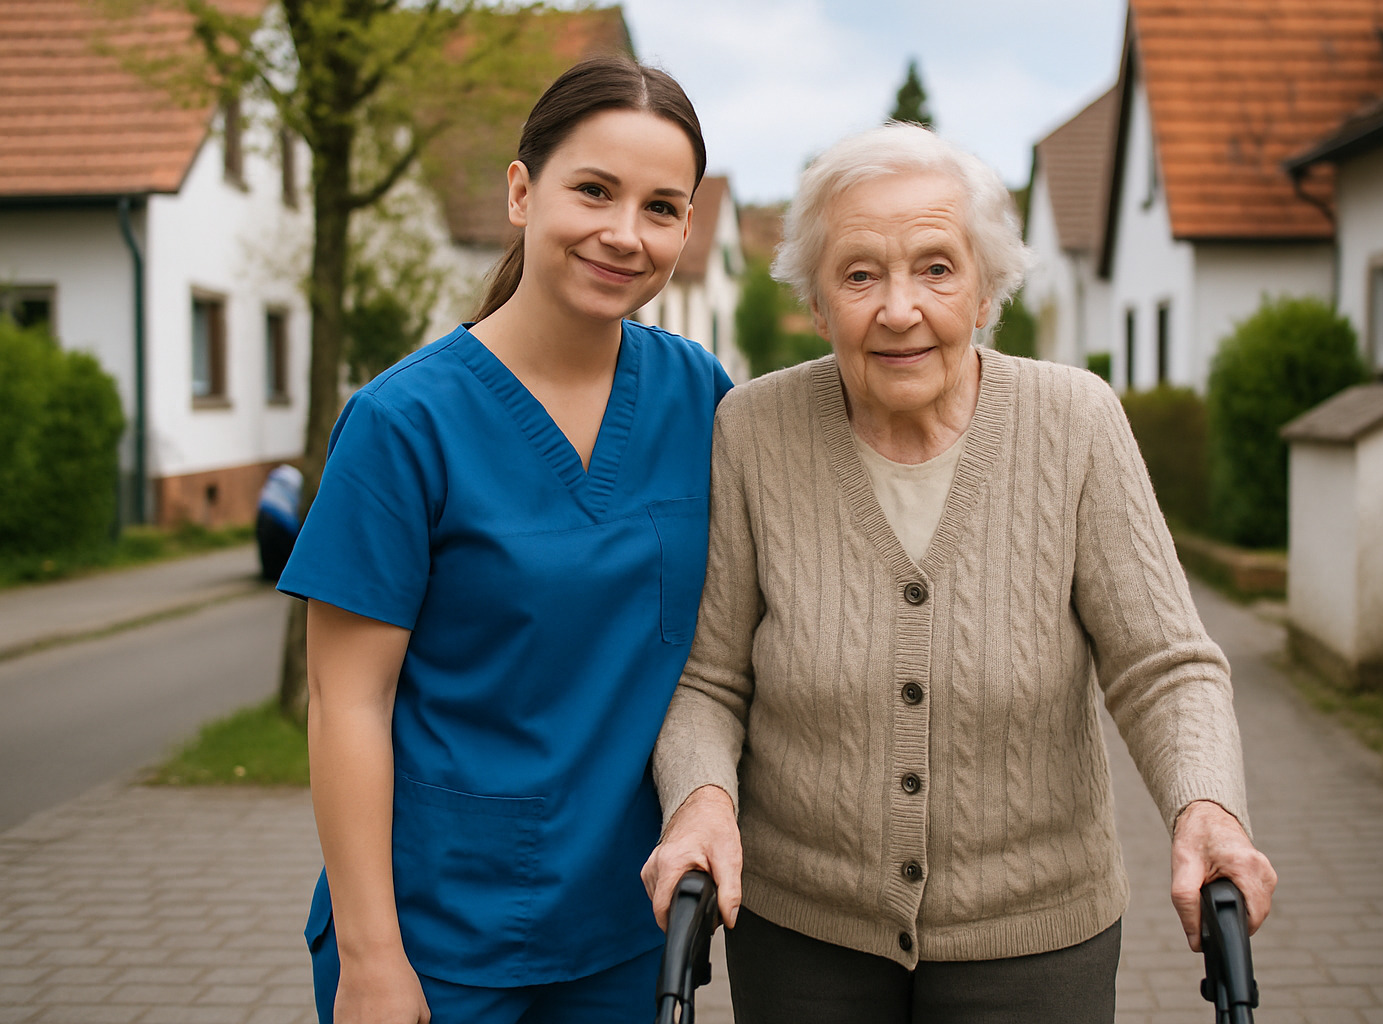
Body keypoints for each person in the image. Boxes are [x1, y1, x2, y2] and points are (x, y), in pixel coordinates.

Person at [642, 123, 1277, 1023]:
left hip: (1035, 939)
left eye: (937, 268)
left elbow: (1163, 664)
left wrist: (1206, 806)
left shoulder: (1076, 423)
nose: (900, 308)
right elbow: (710, 678)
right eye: (860, 275)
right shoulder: (753, 429)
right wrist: (701, 801)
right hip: (800, 933)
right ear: (818, 307)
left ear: (985, 291)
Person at [277, 56, 731, 1024]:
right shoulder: (404, 423)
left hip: (628, 927)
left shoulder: (704, 398)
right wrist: (370, 956)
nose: (624, 233)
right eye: (594, 190)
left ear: (687, 229)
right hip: (437, 938)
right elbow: (346, 698)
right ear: (523, 192)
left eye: (661, 207)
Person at [255, 463, 302, 581]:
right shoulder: (296, 477)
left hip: (264, 510)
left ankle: (269, 571)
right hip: (282, 517)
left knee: (266, 544)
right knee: (283, 546)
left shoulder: (277, 475)